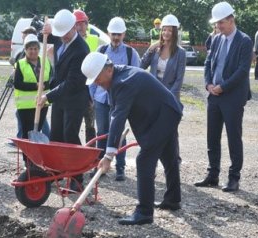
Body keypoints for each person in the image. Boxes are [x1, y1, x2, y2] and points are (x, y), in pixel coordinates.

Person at [81, 52, 183, 225]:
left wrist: (108, 156)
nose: (97, 84)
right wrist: (111, 147)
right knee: (169, 157)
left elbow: (118, 118)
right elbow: (118, 114)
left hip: (164, 115)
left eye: (98, 79)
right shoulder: (118, 78)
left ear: (108, 69)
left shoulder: (123, 82)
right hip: (165, 113)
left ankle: (144, 212)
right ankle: (173, 199)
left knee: (144, 160)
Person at [194, 1, 252, 192]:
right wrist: (208, 84)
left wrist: (223, 87)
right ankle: (213, 175)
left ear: (231, 20)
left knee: (234, 137)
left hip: (233, 97)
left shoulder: (244, 41)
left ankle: (234, 177)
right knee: (212, 137)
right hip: (214, 96)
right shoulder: (217, 39)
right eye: (216, 23)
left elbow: (243, 70)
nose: (218, 26)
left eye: (221, 23)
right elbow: (209, 62)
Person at [38, 9, 90, 190]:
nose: (62, 38)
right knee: (56, 136)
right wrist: (44, 30)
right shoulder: (60, 38)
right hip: (60, 98)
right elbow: (41, 37)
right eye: (59, 34)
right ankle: (57, 171)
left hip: (75, 99)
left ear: (74, 27)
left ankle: (77, 177)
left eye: (65, 34)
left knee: (70, 136)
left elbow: (73, 83)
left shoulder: (81, 49)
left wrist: (48, 96)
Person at [89, 17, 140, 181]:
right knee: (102, 132)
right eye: (113, 34)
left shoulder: (131, 53)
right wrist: (92, 96)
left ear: (124, 34)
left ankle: (120, 168)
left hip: (120, 102)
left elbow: (136, 77)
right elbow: (92, 75)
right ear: (109, 33)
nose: (116, 38)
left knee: (118, 133)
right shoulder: (101, 51)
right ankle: (100, 166)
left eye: (119, 34)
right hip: (101, 100)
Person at [13, 34, 51, 163]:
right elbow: (18, 84)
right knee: (26, 134)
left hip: (42, 104)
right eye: (30, 49)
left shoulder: (45, 62)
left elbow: (52, 79)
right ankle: (27, 161)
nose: (33, 51)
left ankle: (37, 160)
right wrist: (35, 86)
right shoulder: (20, 64)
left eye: (35, 48)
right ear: (25, 50)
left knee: (38, 131)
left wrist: (46, 84)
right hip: (25, 106)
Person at [141, 14, 186, 100]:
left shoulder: (181, 52)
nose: (166, 33)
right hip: (153, 92)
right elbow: (141, 66)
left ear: (175, 33)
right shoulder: (155, 49)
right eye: (164, 30)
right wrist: (150, 49)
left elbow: (179, 79)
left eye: (170, 30)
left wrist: (169, 96)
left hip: (170, 95)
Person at [73, 9, 97, 146]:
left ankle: (91, 155)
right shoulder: (68, 42)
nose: (80, 26)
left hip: (90, 89)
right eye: (77, 24)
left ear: (87, 24)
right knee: (73, 126)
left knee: (90, 125)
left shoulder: (94, 40)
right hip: (76, 89)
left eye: (83, 23)